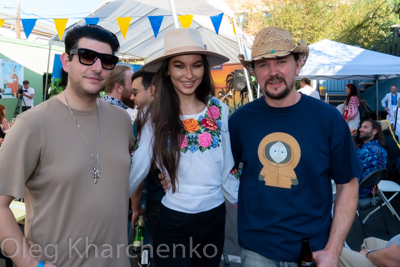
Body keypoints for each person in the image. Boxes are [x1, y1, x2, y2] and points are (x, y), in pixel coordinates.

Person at [0, 24, 134, 266]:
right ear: (66, 61)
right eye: (87, 57)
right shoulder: (32, 124)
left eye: (106, 60)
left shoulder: (122, 121)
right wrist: (30, 263)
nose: (96, 67)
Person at [231, 27, 361, 266]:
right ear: (254, 72)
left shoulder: (328, 120)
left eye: (281, 61)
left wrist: (333, 250)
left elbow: (348, 185)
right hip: (256, 252)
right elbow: (225, 168)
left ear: (298, 66)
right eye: (262, 65)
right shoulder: (240, 121)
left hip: (312, 252)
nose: (273, 72)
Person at [129, 28, 239, 266]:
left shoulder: (219, 110)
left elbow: (227, 165)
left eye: (196, 65)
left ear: (205, 68)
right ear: (167, 70)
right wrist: (115, 200)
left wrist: (247, 204)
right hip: (173, 221)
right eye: (179, 65)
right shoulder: (153, 114)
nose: (189, 74)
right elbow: (139, 163)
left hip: (215, 218)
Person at [353, 120, 387, 198]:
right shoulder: (380, 149)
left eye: (365, 127)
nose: (360, 129)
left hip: (358, 191)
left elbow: (352, 169)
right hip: (370, 188)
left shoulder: (368, 151)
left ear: (374, 131)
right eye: (361, 127)